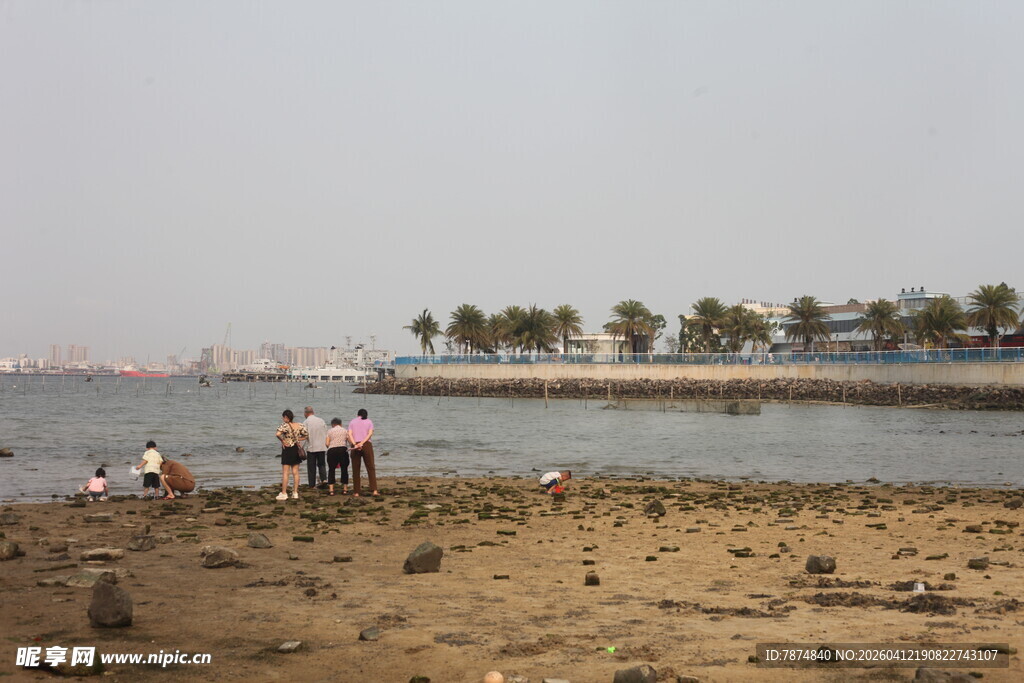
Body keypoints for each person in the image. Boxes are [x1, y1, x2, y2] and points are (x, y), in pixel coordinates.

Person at [276, 409, 308, 501]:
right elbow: (306, 435)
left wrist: (282, 441)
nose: (283, 419)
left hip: (287, 449)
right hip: (296, 449)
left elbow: (277, 434)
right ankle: (295, 493)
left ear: (286, 417)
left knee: (286, 473)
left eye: (283, 417)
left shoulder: (285, 425)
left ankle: (284, 493)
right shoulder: (300, 425)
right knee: (296, 472)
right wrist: (299, 439)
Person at [348, 408, 377, 497]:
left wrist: (355, 444)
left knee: (355, 469)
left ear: (358, 415)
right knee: (370, 467)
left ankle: (356, 491)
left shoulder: (352, 422)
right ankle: (374, 490)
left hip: (355, 445)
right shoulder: (369, 422)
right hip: (366, 444)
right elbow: (370, 434)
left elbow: (349, 434)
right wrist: (362, 443)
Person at [303, 406, 328, 488]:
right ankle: (324, 479)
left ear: (306, 413)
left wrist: (300, 447)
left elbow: (304, 435)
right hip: (322, 446)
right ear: (313, 412)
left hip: (312, 447)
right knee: (322, 464)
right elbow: (326, 432)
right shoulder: (321, 420)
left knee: (311, 467)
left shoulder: (306, 422)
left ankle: (312, 484)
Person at [325, 417, 350, 496]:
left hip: (332, 450)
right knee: (344, 469)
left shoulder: (329, 431)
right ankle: (345, 489)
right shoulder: (345, 430)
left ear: (333, 424)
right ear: (341, 424)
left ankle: (331, 490)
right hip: (343, 449)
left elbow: (327, 444)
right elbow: (349, 440)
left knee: (331, 470)